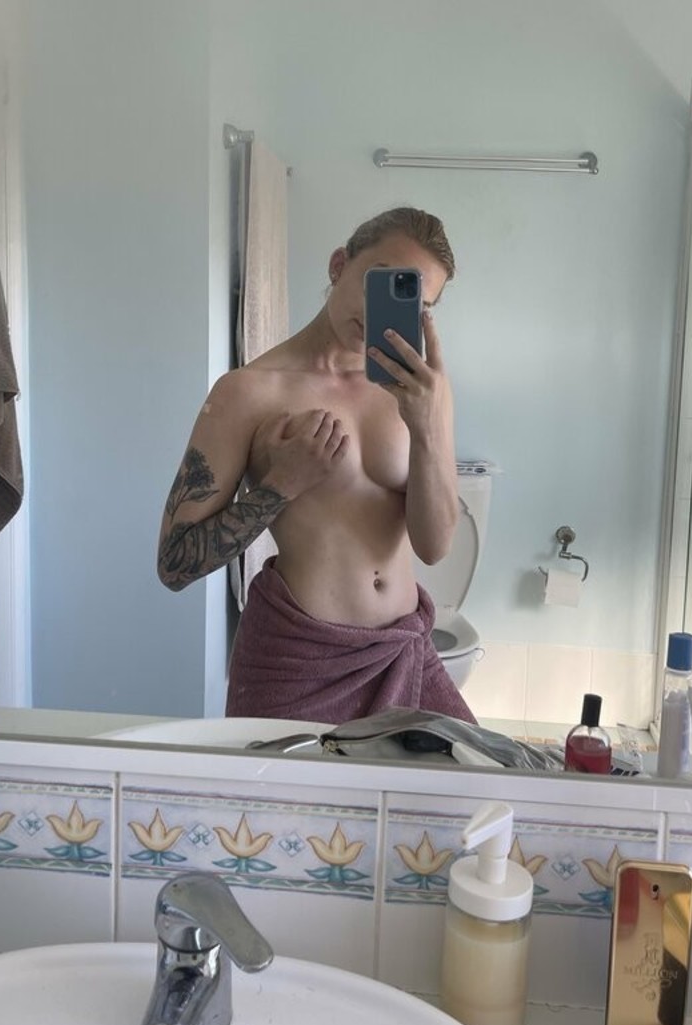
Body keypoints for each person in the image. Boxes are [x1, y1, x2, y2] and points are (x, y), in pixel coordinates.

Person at [156, 206, 475, 725]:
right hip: (297, 661)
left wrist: (427, 427)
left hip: (402, 649)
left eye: (415, 301)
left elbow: (435, 546)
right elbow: (174, 564)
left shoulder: (423, 393)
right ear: (338, 265)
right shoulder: (248, 393)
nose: (385, 311)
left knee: (480, 773)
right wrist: (280, 486)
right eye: (381, 283)